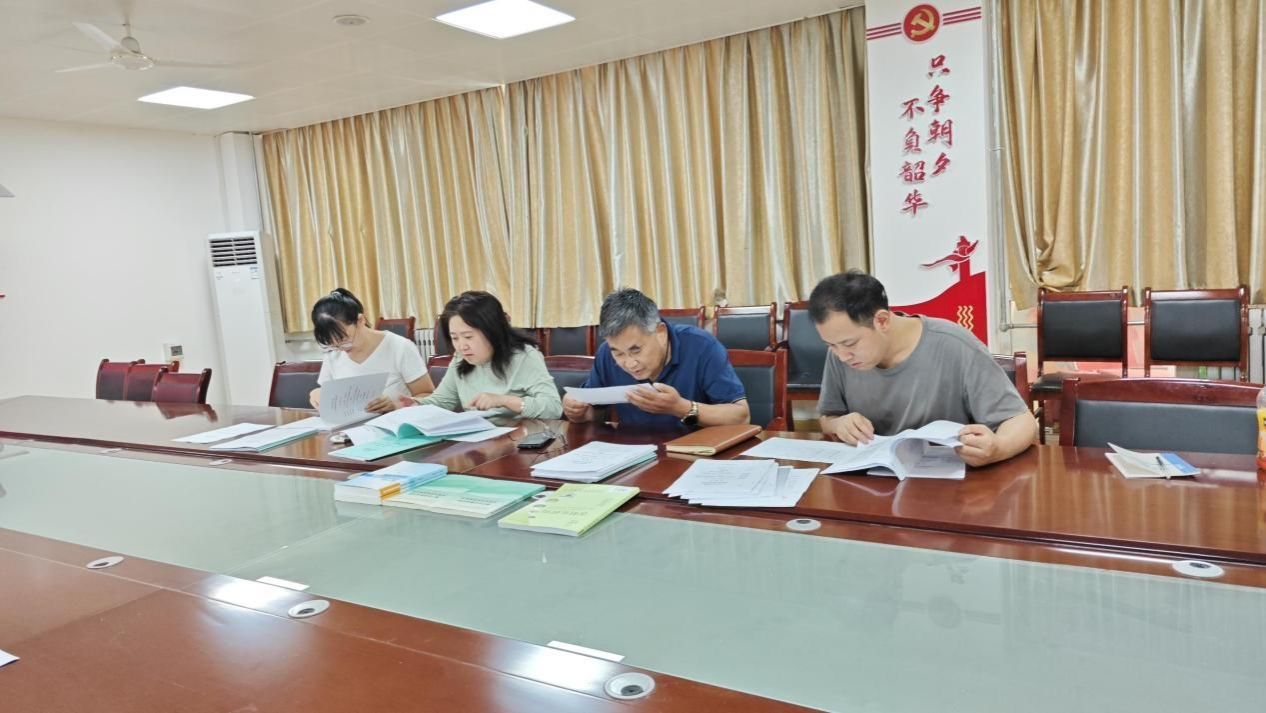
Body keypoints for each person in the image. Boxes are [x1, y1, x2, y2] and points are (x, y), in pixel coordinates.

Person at [809, 270, 1037, 467]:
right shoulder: (839, 354)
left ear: (882, 321)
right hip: (874, 481)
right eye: (831, 345)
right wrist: (839, 424)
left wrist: (997, 448)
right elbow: (828, 417)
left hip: (948, 484)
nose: (842, 355)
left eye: (850, 344)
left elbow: (1023, 422)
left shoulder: (955, 345)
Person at [563, 288, 749, 428]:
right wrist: (578, 412)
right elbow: (594, 413)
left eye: (636, 350)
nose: (629, 363)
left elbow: (741, 416)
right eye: (618, 353)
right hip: (633, 455)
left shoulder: (701, 346)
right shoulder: (605, 353)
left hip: (695, 452)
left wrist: (680, 407)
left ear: (660, 332)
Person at [406, 291, 561, 419]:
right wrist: (414, 404)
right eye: (455, 338)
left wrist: (504, 401)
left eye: (468, 337)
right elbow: (442, 401)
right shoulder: (460, 357)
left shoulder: (524, 356)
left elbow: (553, 408)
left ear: (493, 331)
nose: (462, 346)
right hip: (478, 440)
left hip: (519, 440)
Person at [309, 288, 430, 413]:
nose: (341, 349)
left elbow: (428, 396)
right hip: (352, 425)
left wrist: (396, 405)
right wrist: (317, 394)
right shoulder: (334, 353)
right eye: (332, 344)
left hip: (397, 423)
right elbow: (327, 394)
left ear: (360, 320)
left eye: (344, 340)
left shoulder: (400, 347)